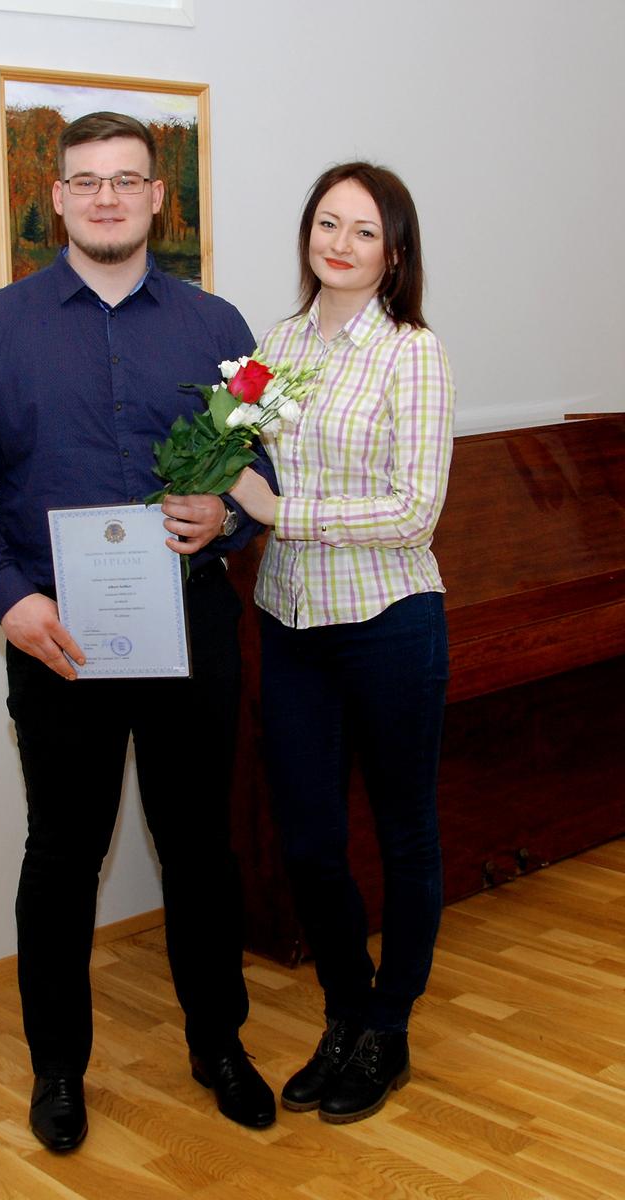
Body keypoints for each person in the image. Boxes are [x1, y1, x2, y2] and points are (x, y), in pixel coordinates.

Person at [0, 111, 276, 1152]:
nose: (108, 197)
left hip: (191, 626)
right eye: (87, 181)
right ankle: (57, 1071)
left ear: (159, 197)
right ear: (58, 199)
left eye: (127, 179)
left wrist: (224, 516)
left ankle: (219, 1045)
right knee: (61, 857)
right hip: (55, 638)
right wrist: (7, 596)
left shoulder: (216, 325)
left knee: (199, 850)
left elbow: (262, 470)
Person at [229, 161, 454, 1124]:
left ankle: (389, 1029)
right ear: (308, 233)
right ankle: (345, 1012)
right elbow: (242, 461)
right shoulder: (275, 345)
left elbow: (414, 511)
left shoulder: (414, 353)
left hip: (388, 622)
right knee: (311, 842)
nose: (342, 244)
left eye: (365, 231)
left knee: (404, 834)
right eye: (329, 223)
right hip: (290, 623)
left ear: (394, 253)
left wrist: (283, 511)